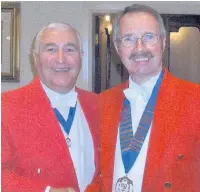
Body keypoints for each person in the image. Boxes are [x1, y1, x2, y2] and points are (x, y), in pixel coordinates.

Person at [99, 4, 200, 192]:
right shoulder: (102, 103)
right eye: (129, 39)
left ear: (163, 42)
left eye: (148, 37)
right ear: (117, 47)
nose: (140, 48)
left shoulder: (195, 101)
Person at [2, 23, 100, 192]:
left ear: (81, 57)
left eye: (70, 49)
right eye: (51, 49)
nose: (61, 59)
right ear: (36, 58)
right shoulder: (6, 107)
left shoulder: (99, 105)